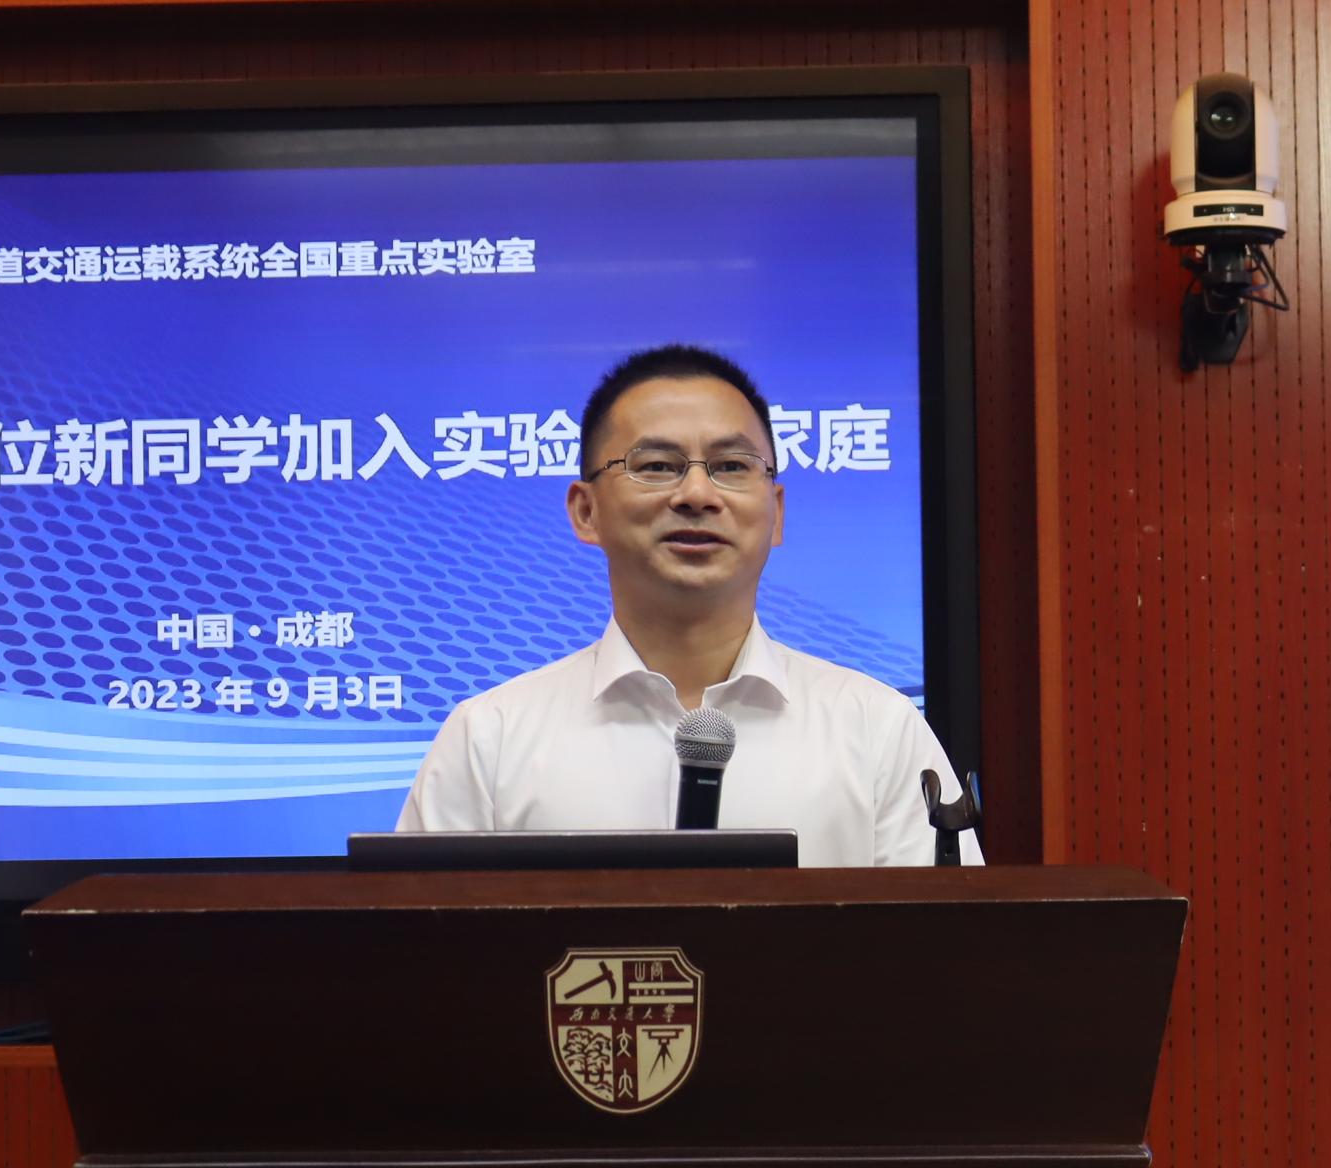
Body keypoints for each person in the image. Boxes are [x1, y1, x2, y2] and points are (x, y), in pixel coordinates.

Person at [395, 344, 981, 866]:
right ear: (585, 511)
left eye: (731, 466)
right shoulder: (489, 738)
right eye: (656, 466)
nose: (697, 494)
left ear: (776, 513)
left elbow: (950, 944)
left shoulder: (878, 730)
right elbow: (421, 948)